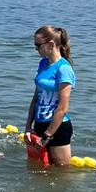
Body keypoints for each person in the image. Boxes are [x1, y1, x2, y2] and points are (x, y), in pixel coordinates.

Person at [25, 25, 76, 166]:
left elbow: (62, 108)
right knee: (39, 171)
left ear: (51, 44)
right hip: (39, 124)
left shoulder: (64, 69)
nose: (36, 49)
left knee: (61, 174)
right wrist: (28, 126)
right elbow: (36, 97)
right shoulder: (43, 64)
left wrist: (47, 136)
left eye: (38, 45)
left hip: (57, 128)